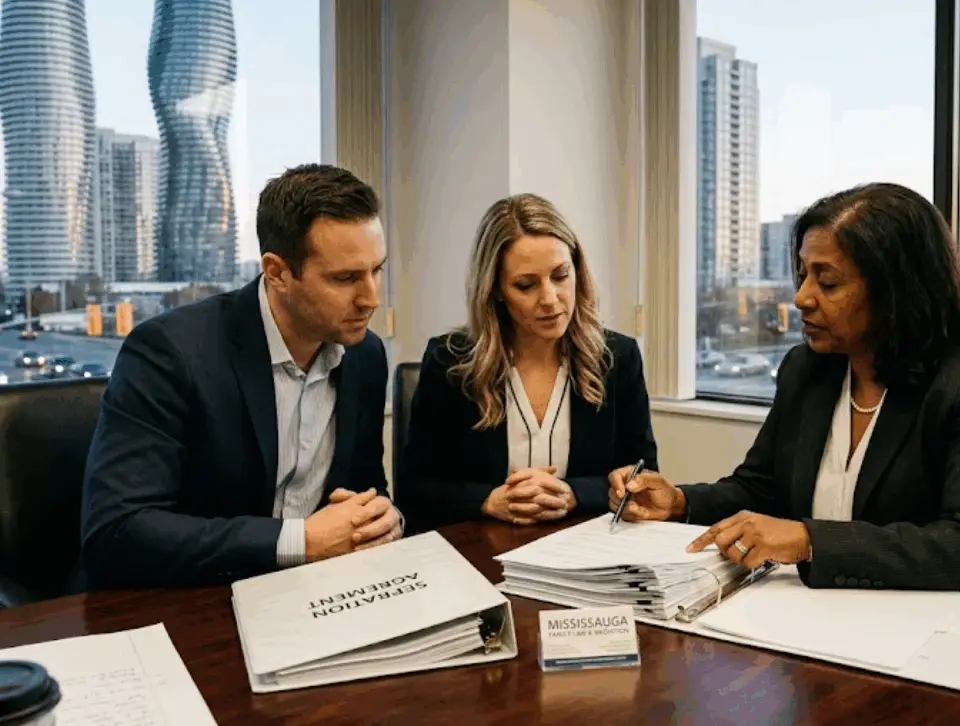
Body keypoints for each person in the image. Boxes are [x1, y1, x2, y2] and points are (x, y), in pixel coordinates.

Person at [609, 182, 960, 591]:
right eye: (802, 275)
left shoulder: (949, 383)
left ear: (896, 290)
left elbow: (953, 542)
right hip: (801, 619)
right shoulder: (807, 369)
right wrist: (680, 502)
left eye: (827, 283)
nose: (800, 298)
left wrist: (808, 541)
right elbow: (759, 488)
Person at [80, 164, 402, 589]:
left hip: (318, 596)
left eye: (376, 270)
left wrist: (383, 518)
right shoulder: (170, 352)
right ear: (277, 272)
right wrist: (300, 541)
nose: (371, 298)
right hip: (196, 600)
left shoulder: (365, 355)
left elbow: (365, 489)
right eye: (345, 278)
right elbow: (117, 532)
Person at [399, 193, 658, 533]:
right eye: (526, 285)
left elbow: (643, 476)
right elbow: (414, 489)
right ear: (495, 291)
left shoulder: (618, 358)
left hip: (586, 557)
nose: (550, 299)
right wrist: (489, 500)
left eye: (561, 276)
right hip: (480, 555)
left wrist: (573, 495)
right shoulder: (450, 361)